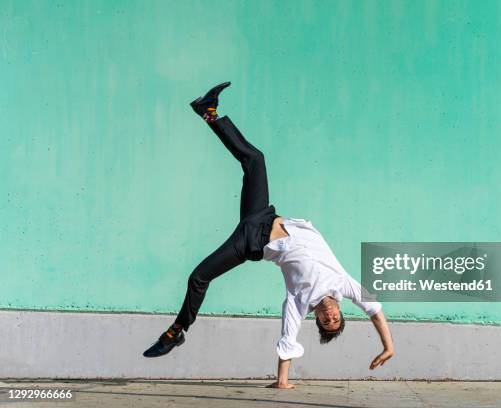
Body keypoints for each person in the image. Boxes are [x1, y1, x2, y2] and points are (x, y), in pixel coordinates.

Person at [143, 82, 394, 388]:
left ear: (317, 319)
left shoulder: (299, 302)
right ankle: (208, 111)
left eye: (326, 322)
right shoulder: (344, 283)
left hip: (252, 242)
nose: (329, 317)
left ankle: (175, 332)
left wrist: (282, 382)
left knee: (198, 277)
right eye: (335, 319)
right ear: (341, 310)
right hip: (263, 216)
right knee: (255, 160)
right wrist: (388, 346)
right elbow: (375, 309)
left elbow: (288, 339)